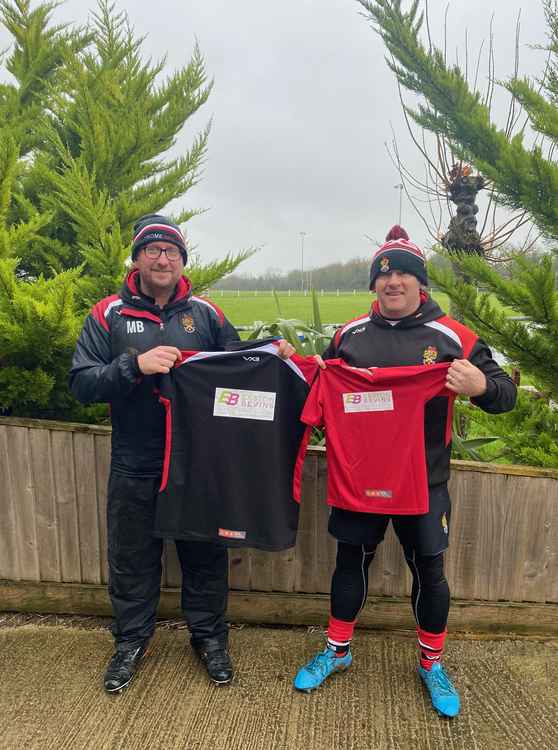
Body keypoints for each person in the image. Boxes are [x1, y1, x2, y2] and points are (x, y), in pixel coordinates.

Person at [293, 226, 517, 717]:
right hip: (358, 481)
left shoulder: (453, 337)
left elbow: (506, 395)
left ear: (421, 283)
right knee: (349, 563)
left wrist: (479, 384)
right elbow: (316, 389)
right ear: (374, 283)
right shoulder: (348, 336)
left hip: (424, 482)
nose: (393, 281)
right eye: (384, 273)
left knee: (430, 571)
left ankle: (432, 663)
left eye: (403, 273)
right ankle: (338, 649)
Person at [69, 214, 293, 693]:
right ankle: (130, 642)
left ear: (183, 260)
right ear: (137, 258)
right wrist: (134, 365)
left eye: (171, 250)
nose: (162, 257)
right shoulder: (108, 313)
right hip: (135, 459)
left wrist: (274, 352)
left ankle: (209, 638)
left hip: (198, 462)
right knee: (132, 557)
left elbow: (237, 366)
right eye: (152, 249)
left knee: (205, 552)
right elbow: (81, 382)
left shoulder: (206, 315)